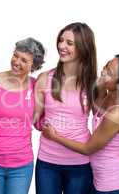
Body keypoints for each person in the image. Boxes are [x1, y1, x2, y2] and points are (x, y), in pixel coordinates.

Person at [43, 54, 119, 194]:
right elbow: (97, 110)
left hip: (113, 185)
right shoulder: (109, 95)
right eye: (106, 65)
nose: (103, 72)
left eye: (109, 73)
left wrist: (54, 137)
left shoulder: (117, 113)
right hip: (98, 179)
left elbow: (88, 149)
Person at [34, 22, 97, 194]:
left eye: (69, 43)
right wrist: (42, 125)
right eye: (61, 41)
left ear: (83, 48)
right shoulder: (45, 78)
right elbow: (34, 118)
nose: (62, 46)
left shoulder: (93, 84)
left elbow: (105, 120)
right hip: (47, 162)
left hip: (80, 163)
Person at [0, 38, 45, 194]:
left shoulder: (35, 85)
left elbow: (38, 121)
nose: (17, 61)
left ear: (34, 65)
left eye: (24, 60)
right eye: (15, 55)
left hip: (22, 165)